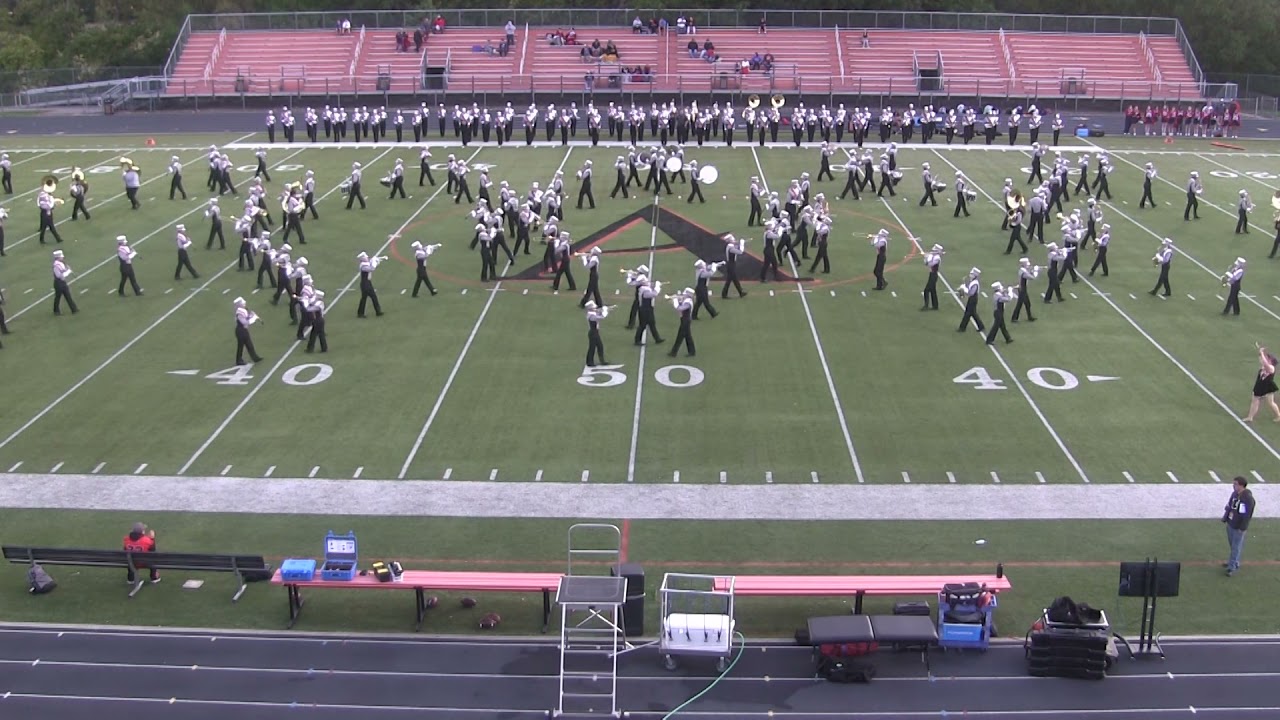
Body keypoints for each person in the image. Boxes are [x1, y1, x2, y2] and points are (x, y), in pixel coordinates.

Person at [1222, 477, 1256, 576]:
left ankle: (1231, 567)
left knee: (1235, 547)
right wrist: (1225, 518)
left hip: (1238, 526)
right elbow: (1229, 506)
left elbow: (1246, 515)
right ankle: (1234, 562)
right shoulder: (1235, 494)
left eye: (1235, 484)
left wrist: (1242, 528)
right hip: (1231, 523)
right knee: (1233, 546)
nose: (1233, 485)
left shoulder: (1247, 498)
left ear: (1241, 485)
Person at [1243, 345, 1280, 423]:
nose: (1266, 358)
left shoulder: (1271, 368)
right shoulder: (1266, 364)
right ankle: (1250, 417)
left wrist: (1262, 354)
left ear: (1271, 361)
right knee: (1255, 400)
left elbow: (1266, 364)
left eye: (1268, 358)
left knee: (1269, 402)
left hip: (1266, 386)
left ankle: (1278, 416)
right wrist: (1260, 352)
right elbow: (1262, 360)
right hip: (1262, 384)